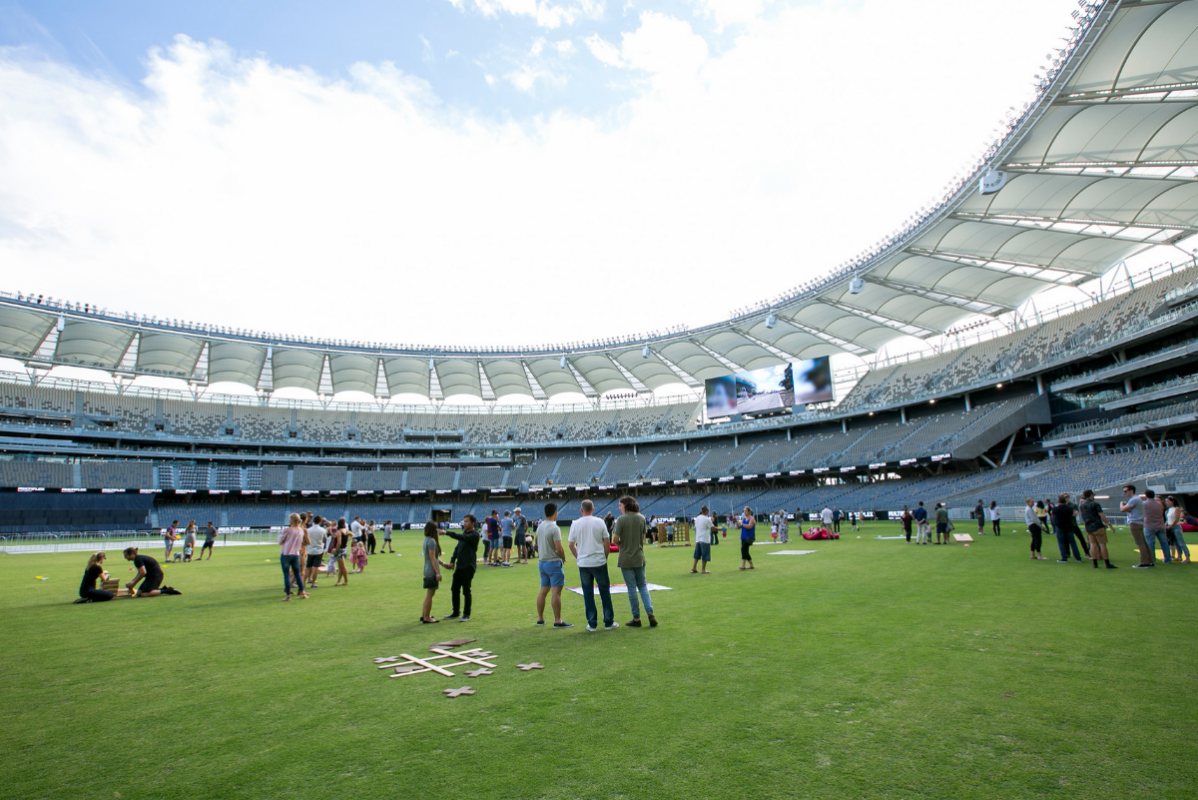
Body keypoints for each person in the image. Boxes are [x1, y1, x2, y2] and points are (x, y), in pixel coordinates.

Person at [568, 499, 617, 632]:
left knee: (588, 593)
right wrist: (605, 557)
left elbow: (571, 545)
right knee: (604, 592)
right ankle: (608, 622)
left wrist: (579, 557)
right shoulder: (600, 522)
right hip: (599, 561)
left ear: (581, 510)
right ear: (593, 509)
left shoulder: (575, 523)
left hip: (584, 563)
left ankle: (592, 623)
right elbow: (606, 542)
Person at [612, 496, 657, 628]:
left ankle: (636, 618)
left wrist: (622, 544)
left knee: (631, 588)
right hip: (639, 556)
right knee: (642, 586)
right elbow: (643, 537)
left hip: (626, 558)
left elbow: (615, 539)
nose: (619, 508)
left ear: (625, 506)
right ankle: (650, 613)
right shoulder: (641, 518)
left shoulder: (621, 519)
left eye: (620, 506)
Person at [535, 502, 573, 628]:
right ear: (555, 512)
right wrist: (563, 558)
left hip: (542, 562)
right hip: (553, 562)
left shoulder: (540, 526)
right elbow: (559, 548)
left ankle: (540, 619)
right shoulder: (554, 527)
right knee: (556, 592)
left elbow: (536, 545)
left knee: (543, 591)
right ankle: (558, 621)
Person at [443, 514, 481, 621]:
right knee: (454, 588)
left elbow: (462, 537)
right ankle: (455, 612)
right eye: (464, 521)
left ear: (472, 523)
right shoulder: (465, 533)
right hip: (460, 566)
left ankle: (466, 614)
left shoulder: (474, 535)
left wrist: (447, 532)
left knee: (466, 590)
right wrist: (452, 561)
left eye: (467, 522)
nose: (464, 523)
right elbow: (457, 548)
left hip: (468, 566)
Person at [1077, 489, 1117, 569]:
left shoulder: (1082, 505)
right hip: (1098, 526)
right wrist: (1109, 525)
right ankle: (1107, 563)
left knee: (1092, 545)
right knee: (1102, 544)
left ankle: (1094, 563)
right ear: (1091, 495)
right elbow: (1102, 516)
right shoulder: (1095, 504)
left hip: (1088, 527)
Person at [1120, 485, 1154, 568]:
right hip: (1138, 522)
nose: (1124, 493)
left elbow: (1123, 509)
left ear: (1131, 491)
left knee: (1139, 543)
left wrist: (1121, 504)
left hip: (1134, 522)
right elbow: (1129, 509)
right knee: (1143, 542)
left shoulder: (1134, 499)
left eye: (1125, 491)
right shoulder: (1136, 499)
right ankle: (1149, 560)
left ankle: (1144, 562)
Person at [278, 513, 309, 601]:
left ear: (291, 520)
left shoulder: (287, 530)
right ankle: (302, 592)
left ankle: (288, 596)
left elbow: (280, 541)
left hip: (286, 553)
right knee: (297, 574)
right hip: (296, 554)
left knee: (286, 575)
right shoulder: (301, 530)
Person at [420, 521, 444, 623]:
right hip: (431, 569)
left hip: (427, 568)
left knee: (429, 594)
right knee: (430, 594)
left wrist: (443, 564)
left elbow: (434, 557)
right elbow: (432, 558)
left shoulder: (427, 540)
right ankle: (426, 617)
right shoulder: (431, 541)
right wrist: (438, 572)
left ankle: (424, 614)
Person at [1142, 489, 1171, 566]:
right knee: (1164, 543)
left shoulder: (1144, 504)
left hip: (1149, 525)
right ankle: (1167, 559)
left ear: (1146, 495)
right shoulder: (1159, 504)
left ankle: (1152, 560)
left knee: (1150, 543)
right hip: (1160, 525)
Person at [1051, 494, 1082, 562]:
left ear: (1058, 501)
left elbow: (1053, 516)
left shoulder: (1055, 509)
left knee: (1061, 542)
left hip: (1060, 527)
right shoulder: (1069, 508)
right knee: (1073, 542)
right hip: (1069, 527)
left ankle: (1064, 557)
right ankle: (1077, 557)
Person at [1166, 496, 1191, 564]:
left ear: (1172, 502)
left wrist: (1171, 526)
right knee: (1175, 543)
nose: (1167, 503)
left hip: (1175, 527)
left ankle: (1187, 557)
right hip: (1170, 526)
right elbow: (1169, 519)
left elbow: (1176, 519)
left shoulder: (1177, 509)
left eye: (1168, 501)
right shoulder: (1170, 509)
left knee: (1181, 542)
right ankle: (1179, 556)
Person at [304, 515, 327, 588]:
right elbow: (324, 539)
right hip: (318, 550)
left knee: (307, 567)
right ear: (320, 522)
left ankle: (303, 583)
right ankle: (313, 583)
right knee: (315, 568)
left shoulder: (308, 530)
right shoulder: (323, 530)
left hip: (310, 549)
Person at [692, 506, 714, 573]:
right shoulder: (707, 519)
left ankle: (694, 567)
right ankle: (703, 569)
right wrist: (720, 529)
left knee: (697, 555)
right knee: (705, 555)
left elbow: (695, 528)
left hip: (698, 539)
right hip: (704, 539)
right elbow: (713, 528)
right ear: (706, 511)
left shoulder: (698, 518)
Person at [333, 519, 351, 586]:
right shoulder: (346, 530)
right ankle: (338, 581)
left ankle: (346, 581)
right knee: (340, 566)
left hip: (340, 550)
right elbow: (352, 535)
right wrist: (347, 541)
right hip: (345, 549)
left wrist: (335, 550)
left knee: (342, 566)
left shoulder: (339, 532)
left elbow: (339, 543)